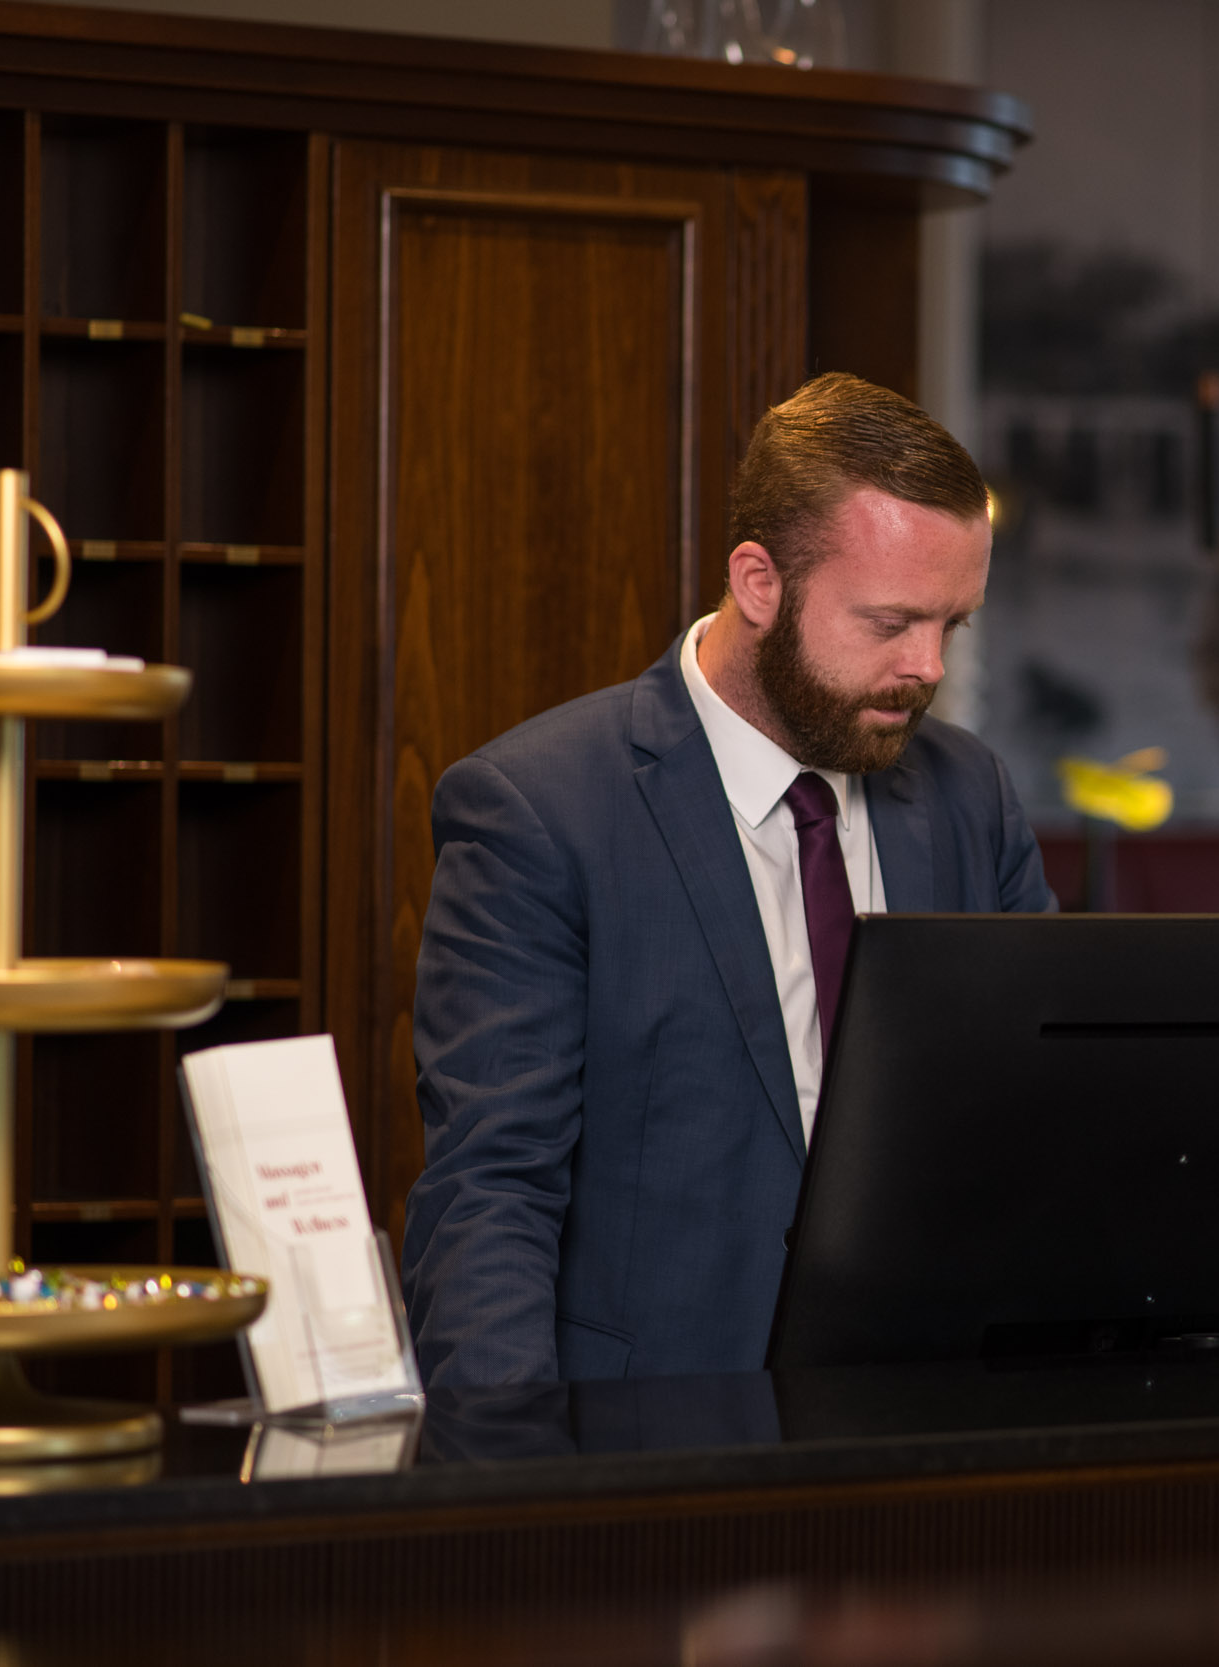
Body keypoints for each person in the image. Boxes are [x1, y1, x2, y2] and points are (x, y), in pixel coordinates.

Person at [403, 373, 1054, 1389]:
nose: (927, 668)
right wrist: (508, 1484)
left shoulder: (972, 795)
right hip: (653, 1436)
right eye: (888, 623)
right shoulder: (538, 812)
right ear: (759, 583)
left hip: (927, 1420)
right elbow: (493, 1190)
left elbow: (1035, 1121)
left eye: (951, 625)